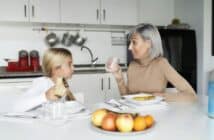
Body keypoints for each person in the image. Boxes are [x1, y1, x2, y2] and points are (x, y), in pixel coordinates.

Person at [107, 23, 197, 102]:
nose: (129, 47)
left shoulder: (161, 64)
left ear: (148, 43)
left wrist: (160, 96)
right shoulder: (132, 66)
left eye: (134, 42)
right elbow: (127, 98)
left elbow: (191, 96)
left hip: (157, 117)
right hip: (136, 117)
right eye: (129, 43)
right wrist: (119, 79)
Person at [13, 48, 76, 112]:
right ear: (57, 68)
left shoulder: (62, 83)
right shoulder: (42, 83)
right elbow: (16, 107)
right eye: (70, 64)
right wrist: (45, 96)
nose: (73, 67)